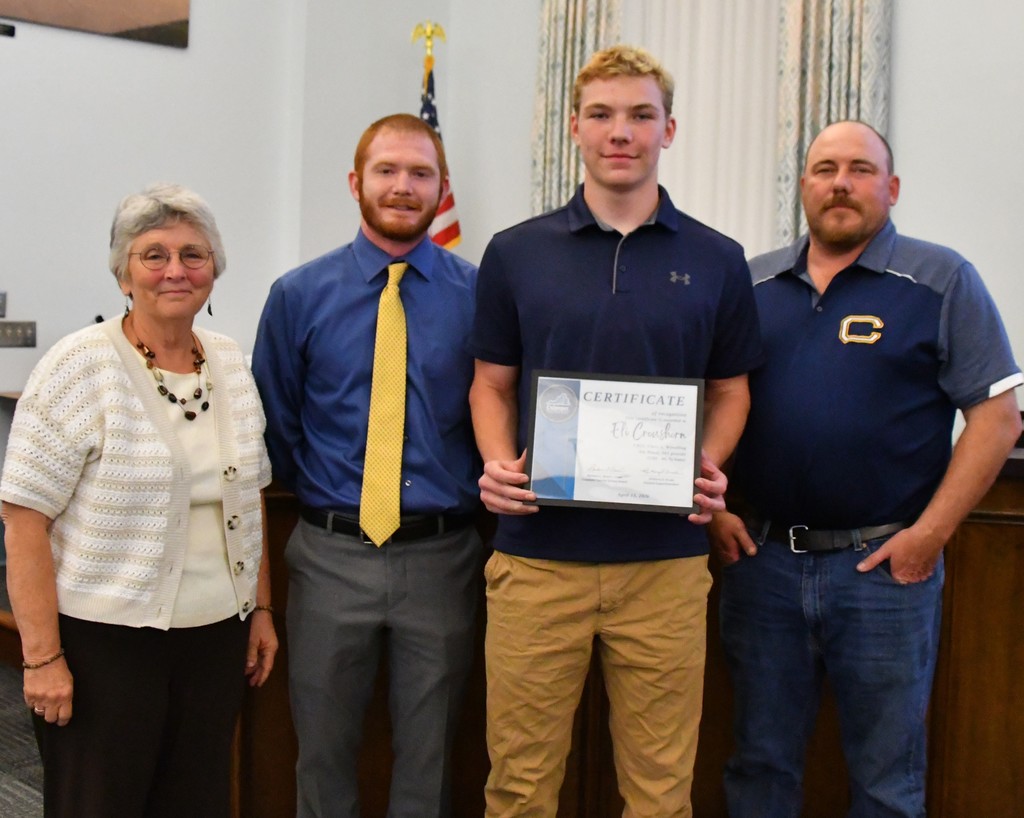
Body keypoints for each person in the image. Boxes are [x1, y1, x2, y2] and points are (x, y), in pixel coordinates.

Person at [468, 45, 762, 818]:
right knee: (520, 790)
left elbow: (732, 392)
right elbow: (490, 384)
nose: (620, 132)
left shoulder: (718, 259)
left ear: (670, 130)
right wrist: (499, 465)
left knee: (662, 796)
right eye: (601, 114)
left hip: (664, 565)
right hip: (536, 564)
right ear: (574, 127)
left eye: (640, 115)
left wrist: (708, 462)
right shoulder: (515, 252)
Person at [712, 120, 1023, 817]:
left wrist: (929, 535)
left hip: (883, 570)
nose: (841, 184)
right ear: (803, 187)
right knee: (758, 765)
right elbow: (710, 403)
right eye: (824, 169)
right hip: (761, 563)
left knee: (887, 778)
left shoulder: (941, 279)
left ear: (892, 187)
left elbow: (998, 420)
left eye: (859, 168)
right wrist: (717, 508)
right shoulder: (751, 283)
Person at [0, 183, 277, 818]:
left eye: (193, 254)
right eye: (154, 255)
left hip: (214, 640)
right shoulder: (79, 366)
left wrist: (259, 607)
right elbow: (22, 522)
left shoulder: (230, 363)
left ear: (214, 269)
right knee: (99, 803)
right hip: (106, 647)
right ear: (124, 272)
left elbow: (248, 497)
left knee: (197, 800)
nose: (175, 270)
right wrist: (41, 658)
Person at [252, 113, 483, 818]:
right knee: (320, 754)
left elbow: (499, 410)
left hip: (443, 557)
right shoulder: (298, 296)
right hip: (328, 556)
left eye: (421, 174)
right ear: (357, 182)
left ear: (443, 189)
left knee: (432, 759)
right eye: (387, 170)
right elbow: (279, 423)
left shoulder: (481, 296)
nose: (403, 186)